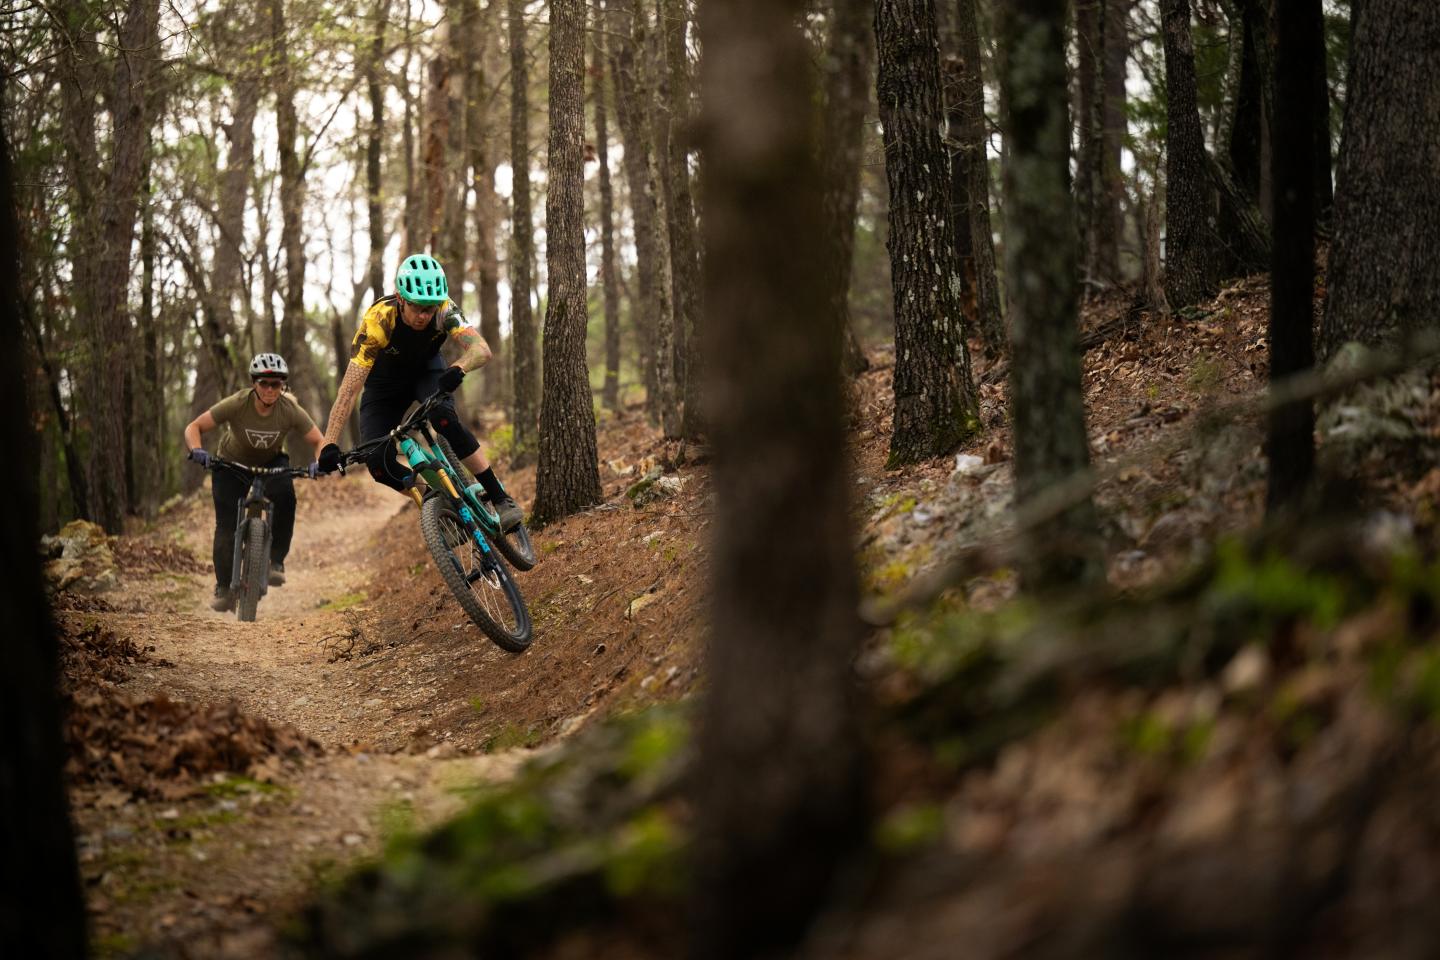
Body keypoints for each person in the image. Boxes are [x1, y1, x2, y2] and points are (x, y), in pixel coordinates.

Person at [317, 253, 523, 531]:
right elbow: (348, 390)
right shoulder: (378, 320)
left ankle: (500, 498)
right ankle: (439, 506)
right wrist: (329, 443)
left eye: (429, 308)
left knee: (444, 418)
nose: (424, 316)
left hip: (426, 372)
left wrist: (459, 368)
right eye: (417, 307)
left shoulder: (444, 309)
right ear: (400, 299)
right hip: (384, 387)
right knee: (378, 463)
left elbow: (481, 350)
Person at [183, 353, 326, 612]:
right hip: (232, 463)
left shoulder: (289, 409)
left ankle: (276, 562)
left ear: (283, 386)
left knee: (286, 496)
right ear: (254, 384)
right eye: (265, 384)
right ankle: (225, 587)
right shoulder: (238, 403)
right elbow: (194, 426)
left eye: (277, 384)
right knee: (226, 526)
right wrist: (197, 450)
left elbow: (319, 441)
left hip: (271, 461)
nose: (271, 390)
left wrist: (320, 461)